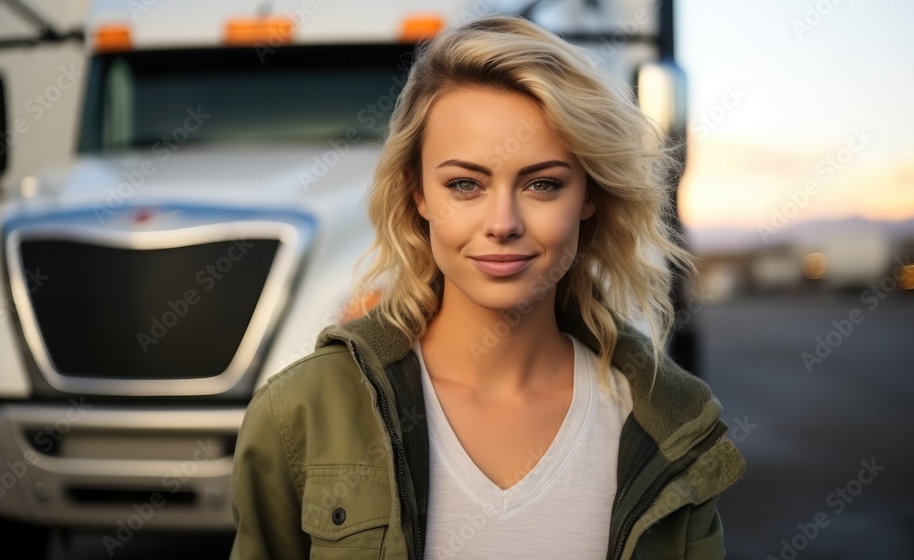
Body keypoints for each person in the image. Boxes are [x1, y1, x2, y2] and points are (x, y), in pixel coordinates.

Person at [229, 15, 746, 560]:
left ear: (589, 194)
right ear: (418, 194)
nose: (502, 223)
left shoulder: (670, 424)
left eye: (543, 184)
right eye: (465, 185)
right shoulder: (300, 413)